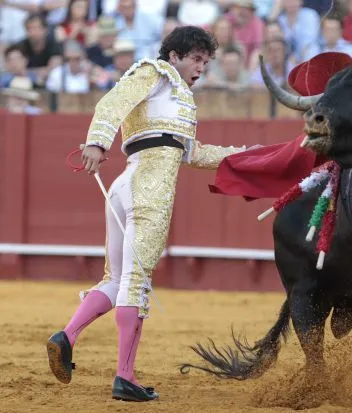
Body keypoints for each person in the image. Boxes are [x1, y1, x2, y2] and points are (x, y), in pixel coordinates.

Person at [46, 25, 249, 402]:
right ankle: (125, 377)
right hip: (148, 189)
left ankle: (67, 335)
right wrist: (96, 142)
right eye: (196, 59)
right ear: (174, 55)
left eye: (206, 61)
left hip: (127, 184)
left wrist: (248, 155)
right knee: (135, 283)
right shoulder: (154, 72)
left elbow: (195, 154)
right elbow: (113, 102)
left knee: (118, 277)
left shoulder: (177, 99)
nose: (201, 67)